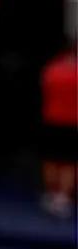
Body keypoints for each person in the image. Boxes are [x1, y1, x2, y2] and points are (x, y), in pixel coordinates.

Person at [39, 40, 78, 216]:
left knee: (51, 158)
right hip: (72, 121)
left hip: (52, 118)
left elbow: (44, 90)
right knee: (69, 161)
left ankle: (51, 192)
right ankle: (62, 196)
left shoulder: (52, 69)